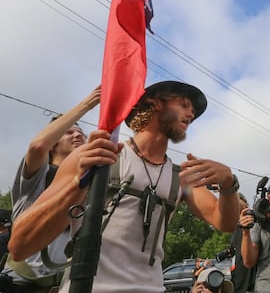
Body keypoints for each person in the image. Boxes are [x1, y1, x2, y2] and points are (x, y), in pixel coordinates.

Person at [8, 81, 240, 293]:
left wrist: (229, 184)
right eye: (184, 104)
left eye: (193, 111)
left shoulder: (181, 177)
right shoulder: (96, 157)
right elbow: (20, 246)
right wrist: (79, 183)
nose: (191, 114)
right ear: (155, 102)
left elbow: (225, 223)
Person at [0, 87, 100, 293]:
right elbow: (37, 146)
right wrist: (89, 103)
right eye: (69, 132)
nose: (77, 136)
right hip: (21, 284)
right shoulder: (38, 175)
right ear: (53, 144)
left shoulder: (91, 183)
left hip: (66, 286)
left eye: (81, 133)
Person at [227, 194, 255, 293]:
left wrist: (229, 191)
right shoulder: (234, 228)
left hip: (250, 282)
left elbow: (244, 207)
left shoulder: (251, 224)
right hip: (237, 281)